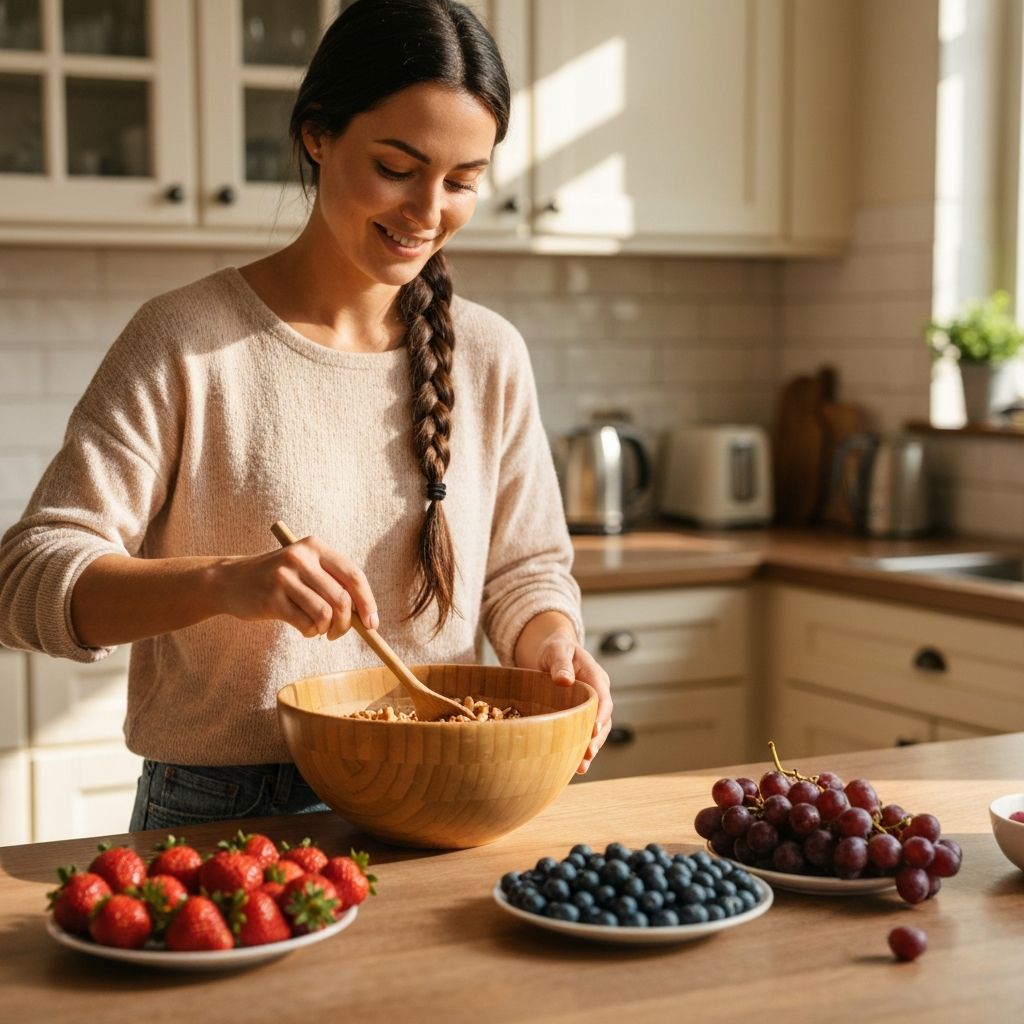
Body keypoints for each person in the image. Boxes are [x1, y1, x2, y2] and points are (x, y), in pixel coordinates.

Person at [0, 0, 612, 831]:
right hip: (227, 810)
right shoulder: (187, 340)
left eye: (463, 180)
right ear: (316, 135)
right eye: (397, 167)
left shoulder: (488, 353)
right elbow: (27, 578)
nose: (429, 212)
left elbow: (524, 571)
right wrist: (225, 582)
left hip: (444, 790)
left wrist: (548, 644)